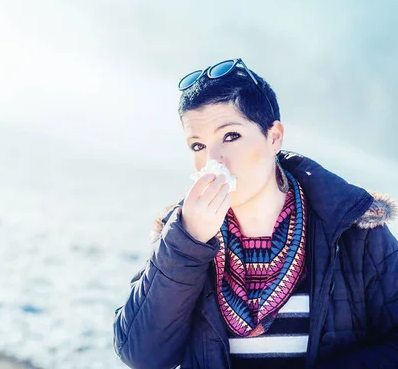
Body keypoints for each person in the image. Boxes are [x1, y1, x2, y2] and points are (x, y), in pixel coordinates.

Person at [112, 58, 398, 369]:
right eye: (197, 146)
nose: (213, 161)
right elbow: (142, 355)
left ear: (274, 136)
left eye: (230, 136)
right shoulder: (181, 238)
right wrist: (188, 242)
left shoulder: (353, 229)